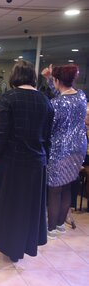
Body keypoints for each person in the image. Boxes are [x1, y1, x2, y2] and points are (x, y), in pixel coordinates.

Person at [0, 60, 54, 266]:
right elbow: (48, 137)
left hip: (11, 163)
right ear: (32, 77)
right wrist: (43, 161)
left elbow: (2, 134)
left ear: (14, 77)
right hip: (37, 164)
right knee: (23, 209)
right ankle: (15, 249)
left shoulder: (9, 97)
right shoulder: (45, 100)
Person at [41, 63, 87, 239]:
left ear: (58, 80)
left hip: (60, 149)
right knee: (67, 185)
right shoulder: (81, 96)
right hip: (79, 148)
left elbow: (51, 126)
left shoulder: (56, 103)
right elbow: (63, 93)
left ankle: (50, 228)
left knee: (54, 189)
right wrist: (50, 79)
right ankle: (60, 224)